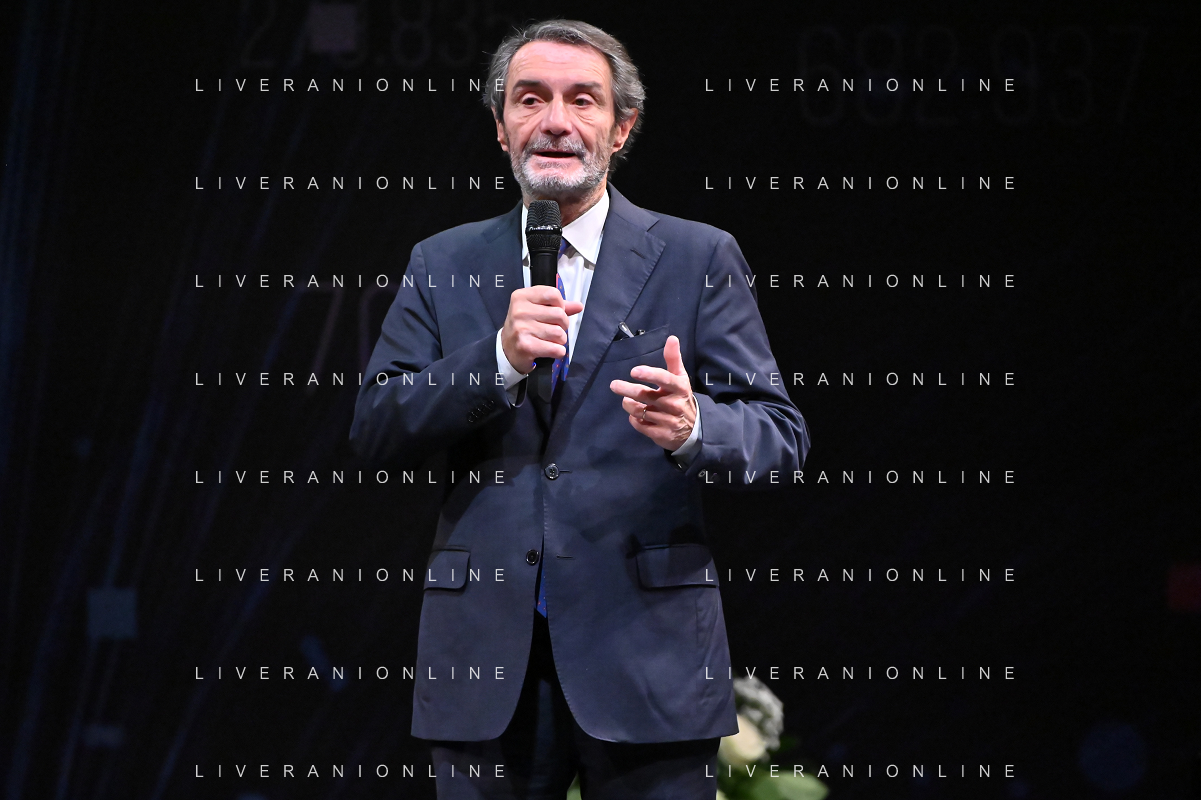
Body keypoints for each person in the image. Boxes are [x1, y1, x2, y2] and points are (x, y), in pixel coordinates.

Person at [350, 19, 809, 799]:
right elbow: (376, 427)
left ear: (621, 127)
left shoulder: (698, 256)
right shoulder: (442, 261)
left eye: (582, 100)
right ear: (501, 126)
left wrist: (695, 428)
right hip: (485, 663)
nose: (555, 121)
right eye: (530, 99)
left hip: (647, 658)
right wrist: (496, 360)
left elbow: (779, 436)